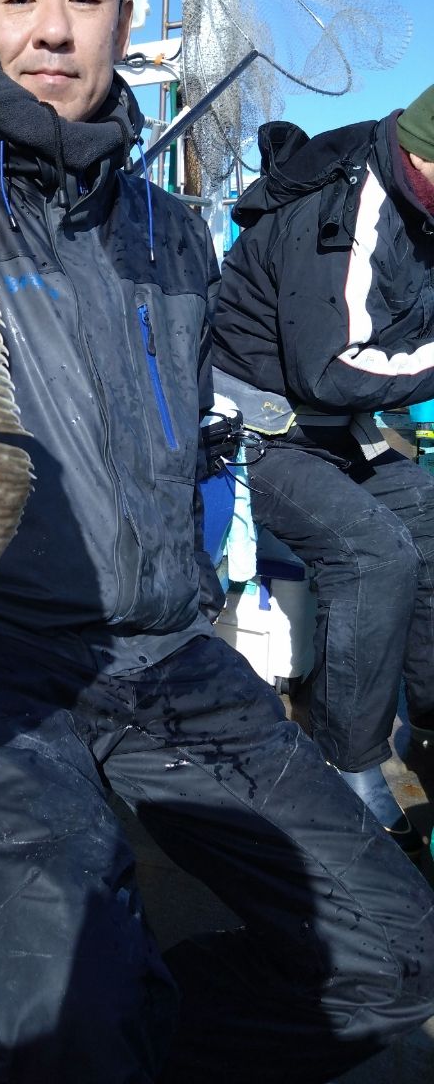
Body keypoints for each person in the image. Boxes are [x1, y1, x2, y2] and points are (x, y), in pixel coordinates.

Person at [0, 0, 434, 1084]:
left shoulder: (171, 229)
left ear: (126, 20)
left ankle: (137, 1034)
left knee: (403, 955)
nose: (54, 28)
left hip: (164, 651)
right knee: (72, 1017)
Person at [211, 85, 434, 859]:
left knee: (427, 519)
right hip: (260, 435)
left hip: (339, 429)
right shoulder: (350, 211)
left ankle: (427, 721)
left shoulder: (421, 206)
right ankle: (350, 760)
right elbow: (330, 369)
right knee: (374, 556)